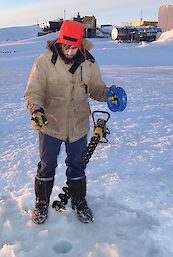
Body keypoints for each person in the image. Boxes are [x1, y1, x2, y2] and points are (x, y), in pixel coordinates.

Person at [24, 20, 113, 224]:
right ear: (59, 42)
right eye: (66, 46)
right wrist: (36, 110)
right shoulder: (44, 61)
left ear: (80, 45)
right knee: (47, 165)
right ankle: (42, 203)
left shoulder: (89, 63)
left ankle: (79, 201)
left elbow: (96, 89)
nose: (70, 51)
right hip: (51, 125)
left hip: (79, 125)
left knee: (77, 165)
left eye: (74, 47)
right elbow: (33, 93)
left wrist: (109, 94)